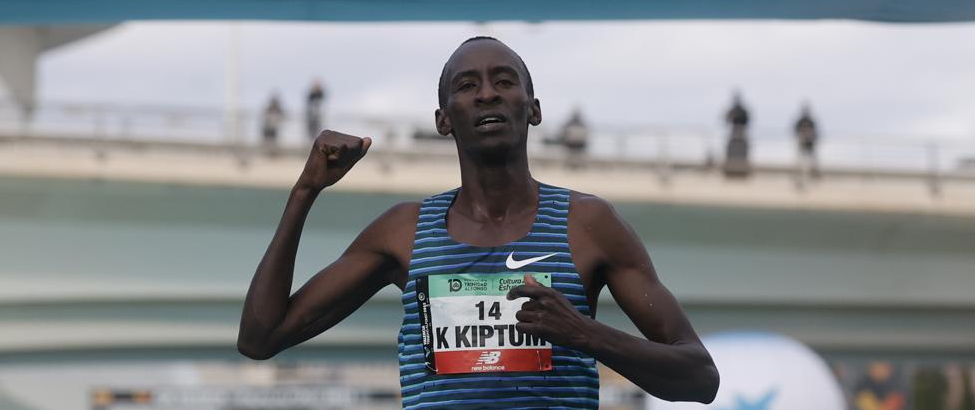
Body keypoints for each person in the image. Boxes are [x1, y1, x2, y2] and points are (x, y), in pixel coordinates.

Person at [239, 37, 719, 407]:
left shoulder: (587, 224)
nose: (487, 93)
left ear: (533, 109)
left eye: (505, 81)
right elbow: (261, 338)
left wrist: (583, 333)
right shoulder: (403, 232)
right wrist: (305, 191)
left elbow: (699, 376)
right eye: (467, 86)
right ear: (444, 119)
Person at [723, 91, 750, 178]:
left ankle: (741, 169)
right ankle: (731, 169)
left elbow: (746, 120)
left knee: (741, 149)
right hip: (734, 130)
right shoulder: (733, 110)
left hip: (740, 130)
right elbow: (727, 119)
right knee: (732, 149)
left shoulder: (742, 110)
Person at [793, 103, 820, 184]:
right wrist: (801, 137)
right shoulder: (800, 121)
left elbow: (815, 132)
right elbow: (795, 131)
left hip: (810, 144)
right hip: (802, 143)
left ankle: (813, 176)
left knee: (812, 162)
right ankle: (799, 177)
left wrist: (810, 136)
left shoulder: (811, 121)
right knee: (800, 162)